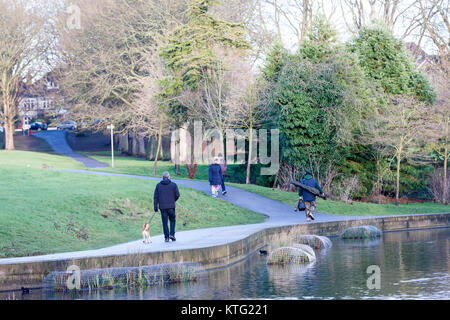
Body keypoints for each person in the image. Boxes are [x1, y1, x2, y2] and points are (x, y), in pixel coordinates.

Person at [154, 172, 180, 242]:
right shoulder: (173, 185)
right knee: (172, 220)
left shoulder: (158, 185)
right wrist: (173, 200)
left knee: (164, 222)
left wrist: (155, 207)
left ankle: (166, 237)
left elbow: (155, 197)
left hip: (162, 207)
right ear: (168, 177)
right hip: (171, 206)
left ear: (163, 177)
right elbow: (177, 195)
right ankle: (172, 234)